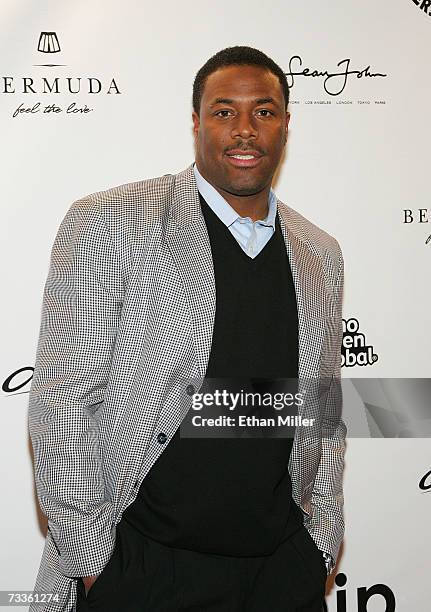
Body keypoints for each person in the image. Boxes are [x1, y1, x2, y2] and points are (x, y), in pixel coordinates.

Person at [28, 45, 346, 612]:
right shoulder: (116, 220)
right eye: (225, 112)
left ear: (286, 126)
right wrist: (94, 559)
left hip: (280, 573)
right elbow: (61, 399)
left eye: (264, 112)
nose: (245, 130)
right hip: (144, 567)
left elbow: (322, 412)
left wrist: (317, 544)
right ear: (196, 122)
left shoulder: (319, 252)